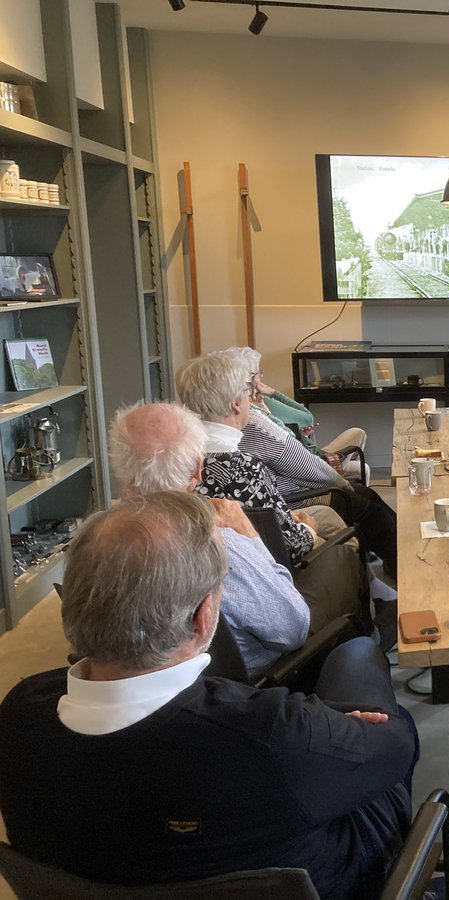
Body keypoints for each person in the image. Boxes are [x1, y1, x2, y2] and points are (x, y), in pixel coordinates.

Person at [0, 492, 418, 899]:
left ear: (70, 607)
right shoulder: (270, 732)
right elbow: (394, 749)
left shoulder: (17, 716)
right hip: (340, 872)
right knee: (362, 659)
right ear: (204, 617)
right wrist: (330, 733)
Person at [108, 401, 370, 675]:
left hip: (149, 678)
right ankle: (362, 651)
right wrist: (250, 536)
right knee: (342, 556)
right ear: (198, 468)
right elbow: (293, 628)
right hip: (256, 676)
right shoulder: (220, 540)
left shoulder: (98, 538)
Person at [215, 351, 399, 578]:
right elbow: (302, 464)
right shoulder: (253, 423)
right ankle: (401, 567)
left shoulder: (245, 417)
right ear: (236, 398)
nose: (256, 385)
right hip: (298, 496)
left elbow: (301, 429)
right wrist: (342, 483)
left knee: (369, 499)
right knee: (366, 507)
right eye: (253, 380)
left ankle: (394, 561)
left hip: (294, 488)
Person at [175, 352, 321, 567]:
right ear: (235, 403)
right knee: (340, 541)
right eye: (248, 392)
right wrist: (309, 529)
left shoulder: (175, 456)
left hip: (198, 564)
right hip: (259, 569)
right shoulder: (242, 466)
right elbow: (292, 546)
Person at [224, 346, 369, 482]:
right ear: (250, 378)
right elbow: (306, 418)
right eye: (258, 373)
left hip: (306, 454)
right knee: (363, 466)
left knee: (358, 434)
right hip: (310, 462)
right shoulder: (257, 408)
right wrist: (271, 393)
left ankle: (341, 469)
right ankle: (340, 473)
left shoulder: (241, 410)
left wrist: (302, 435)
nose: (261, 376)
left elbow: (287, 436)